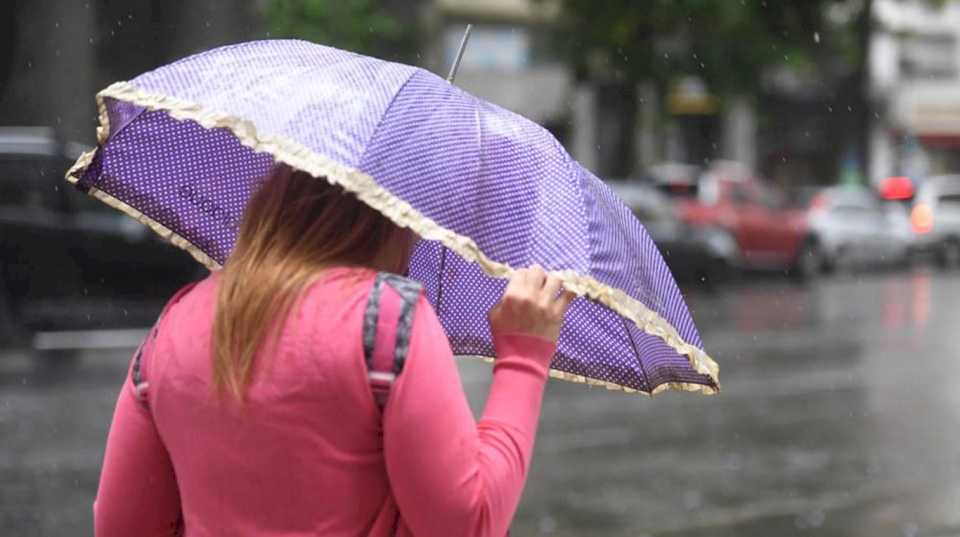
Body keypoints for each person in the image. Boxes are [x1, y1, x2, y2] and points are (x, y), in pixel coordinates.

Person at [94, 163, 575, 537]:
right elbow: (468, 522)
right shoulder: (387, 318)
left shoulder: (176, 321)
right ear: (389, 220)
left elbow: (120, 527)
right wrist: (524, 358)